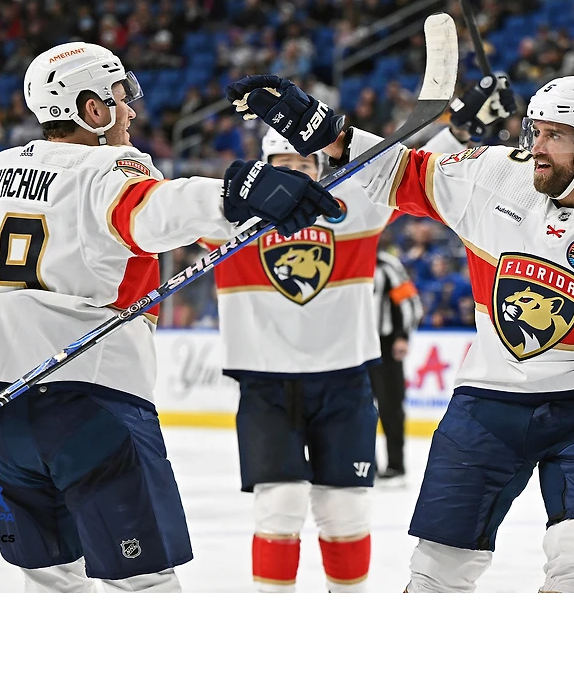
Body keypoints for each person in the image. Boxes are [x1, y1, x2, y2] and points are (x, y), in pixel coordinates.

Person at [0, 42, 340, 594]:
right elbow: (150, 211)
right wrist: (235, 195)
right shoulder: (109, 167)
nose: (131, 109)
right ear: (92, 110)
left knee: (52, 583)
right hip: (88, 404)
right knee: (144, 586)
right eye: (119, 97)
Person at [226, 71, 574, 593]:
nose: (535, 147)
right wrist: (318, 127)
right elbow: (394, 173)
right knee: (436, 575)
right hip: (488, 405)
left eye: (553, 136)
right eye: (533, 130)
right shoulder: (493, 176)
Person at [219, 77, 514, 592]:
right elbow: (167, 211)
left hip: (345, 382)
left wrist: (462, 126)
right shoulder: (231, 216)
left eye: (304, 165)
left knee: (346, 511)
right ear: (264, 170)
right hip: (266, 385)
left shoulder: (351, 203)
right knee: (280, 508)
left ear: (320, 165)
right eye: (282, 168)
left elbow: (404, 171)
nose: (295, 176)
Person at [369, 241, 424, 485]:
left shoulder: (385, 263)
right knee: (356, 410)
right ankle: (363, 465)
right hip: (352, 347)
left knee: (390, 407)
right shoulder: (345, 259)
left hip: (385, 345)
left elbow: (410, 302)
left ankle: (395, 467)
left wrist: (402, 336)